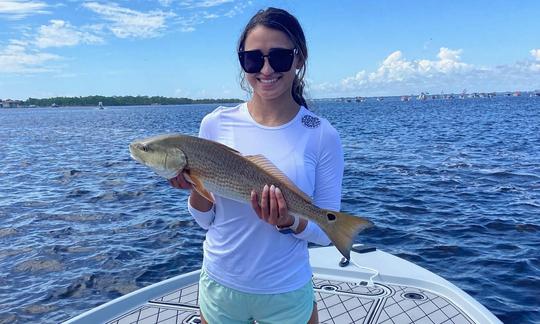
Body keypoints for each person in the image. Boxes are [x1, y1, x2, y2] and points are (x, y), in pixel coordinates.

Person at [169, 7, 344, 324]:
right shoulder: (214, 124)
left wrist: (289, 221)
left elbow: (327, 232)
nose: (265, 69)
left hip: (285, 289)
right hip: (221, 284)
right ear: (242, 61)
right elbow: (206, 221)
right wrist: (194, 187)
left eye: (278, 57)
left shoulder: (321, 135)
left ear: (299, 59)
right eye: (253, 59)